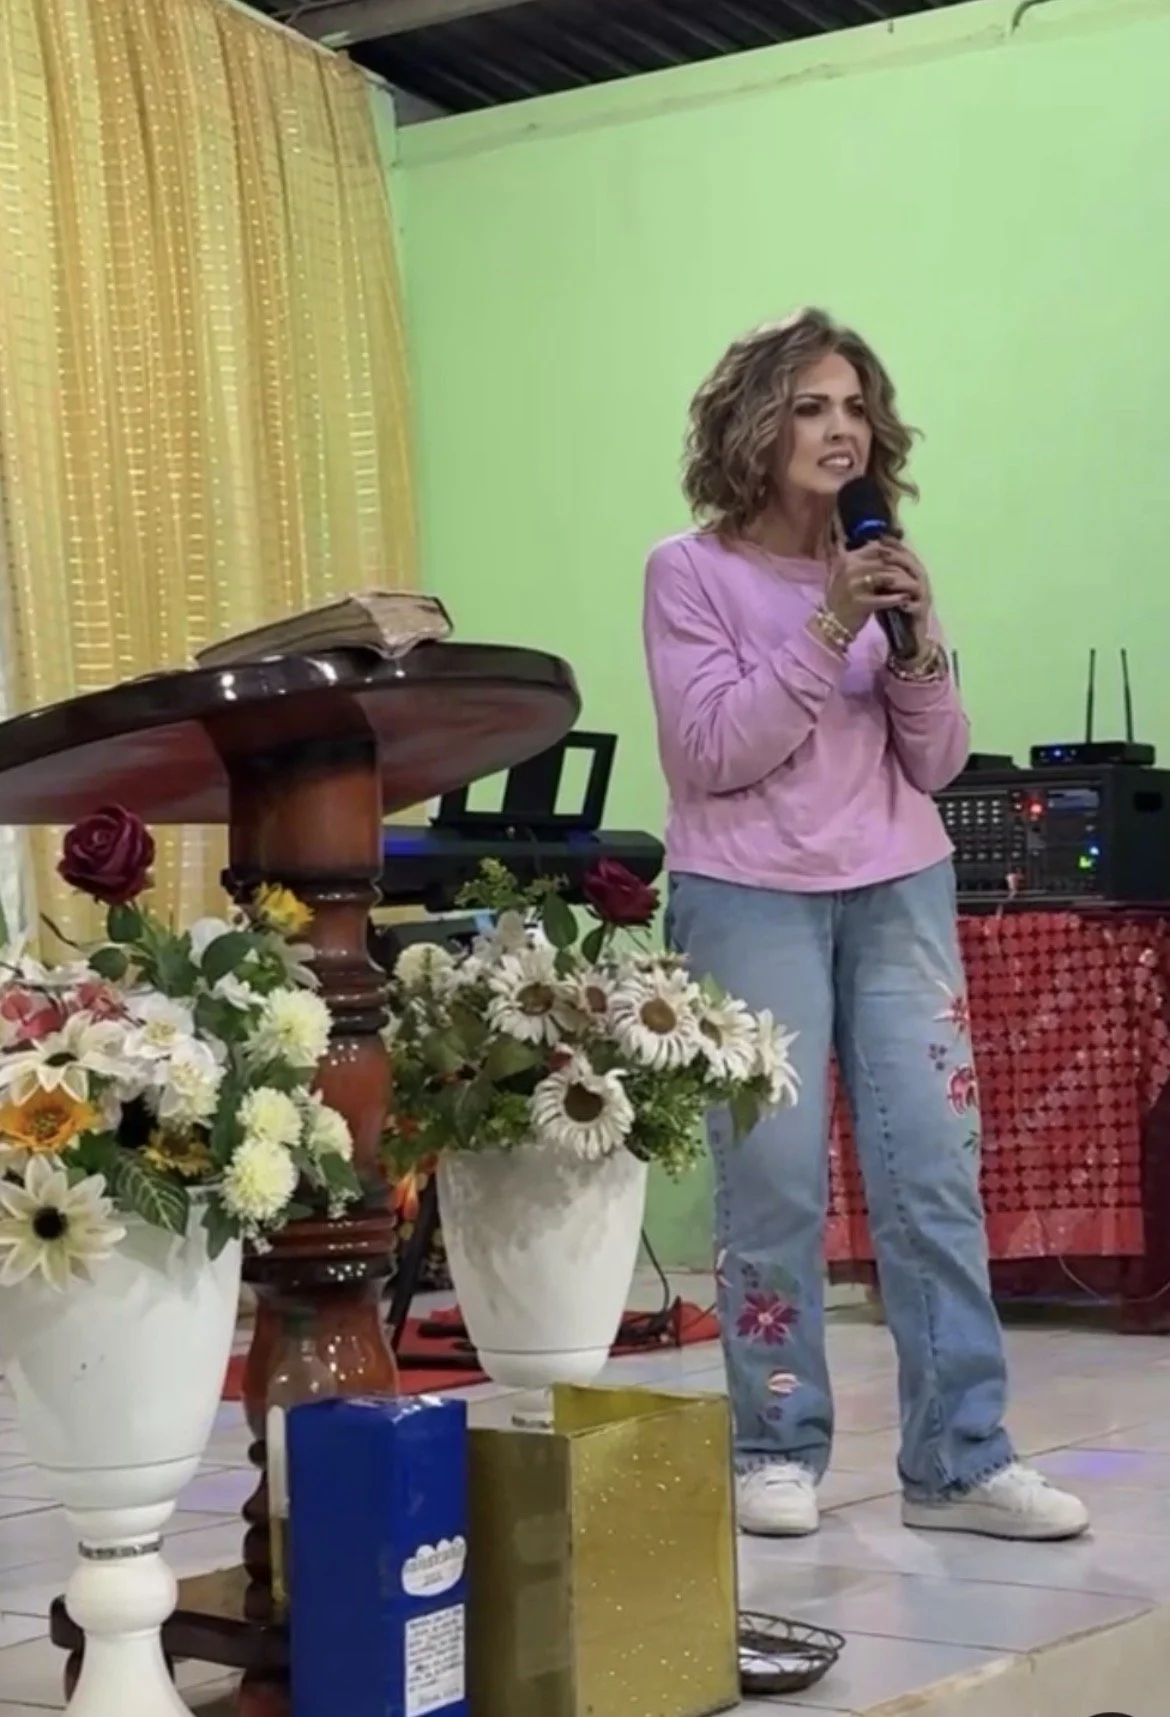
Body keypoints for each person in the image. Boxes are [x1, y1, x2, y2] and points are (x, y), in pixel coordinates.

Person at [643, 308, 1089, 1543]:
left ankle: (961, 1458)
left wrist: (916, 639)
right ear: (752, 424)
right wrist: (830, 622)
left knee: (934, 1176)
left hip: (900, 882)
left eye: (854, 408)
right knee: (774, 1182)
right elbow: (715, 750)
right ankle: (775, 1444)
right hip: (748, 892)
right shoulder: (690, 572)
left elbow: (938, 762)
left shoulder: (883, 558)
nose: (840, 430)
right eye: (810, 407)